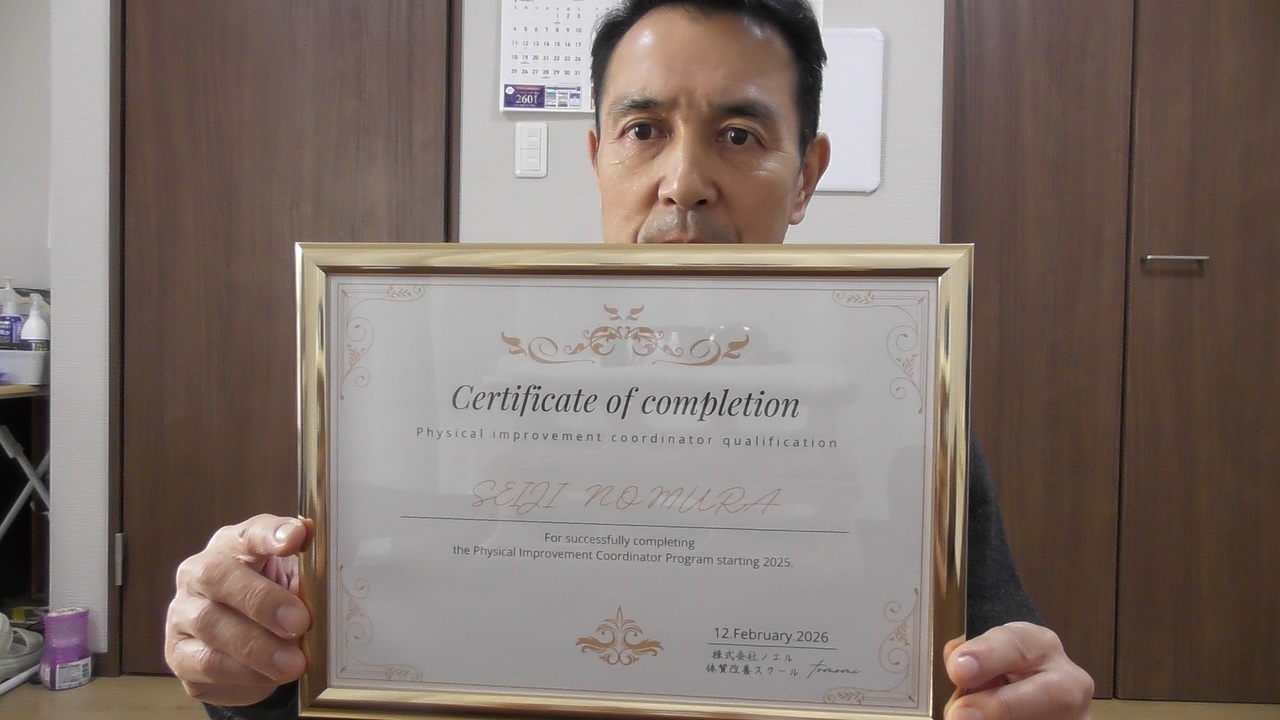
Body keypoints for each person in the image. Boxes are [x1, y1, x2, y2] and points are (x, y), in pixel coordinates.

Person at [166, 2, 1095, 719]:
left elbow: (990, 669)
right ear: (597, 155)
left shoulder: (906, 424)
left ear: (806, 176)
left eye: (740, 136)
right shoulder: (475, 409)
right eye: (643, 129)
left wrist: (1022, 689)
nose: (683, 184)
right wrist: (249, 661)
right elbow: (363, 670)